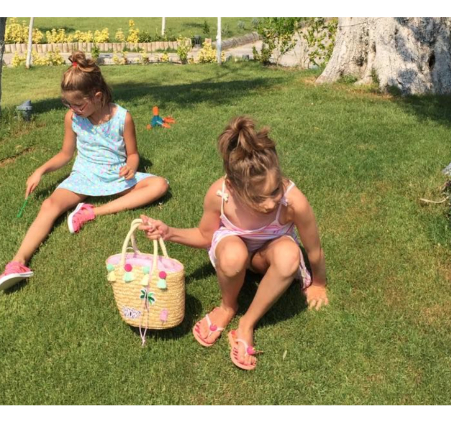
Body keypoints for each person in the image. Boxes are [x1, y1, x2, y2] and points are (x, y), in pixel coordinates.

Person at [140, 116, 327, 370]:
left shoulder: (293, 201)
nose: (271, 203)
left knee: (290, 255)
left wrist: (318, 283)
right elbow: (205, 236)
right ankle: (228, 306)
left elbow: (314, 249)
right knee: (232, 255)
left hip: (268, 255)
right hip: (233, 251)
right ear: (232, 186)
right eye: (258, 198)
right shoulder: (220, 195)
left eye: (275, 191)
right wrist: (168, 232)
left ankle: (247, 323)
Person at [0, 51, 168, 291]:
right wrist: (40, 171)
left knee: (160, 185)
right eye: (68, 104)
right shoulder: (72, 118)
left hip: (114, 177)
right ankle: (17, 262)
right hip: (83, 176)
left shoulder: (123, 118)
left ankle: (91, 212)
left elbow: (133, 154)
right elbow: (65, 154)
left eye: (78, 104)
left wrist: (131, 166)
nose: (73, 109)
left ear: (97, 96)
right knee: (49, 205)